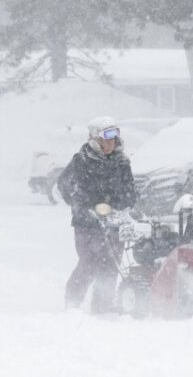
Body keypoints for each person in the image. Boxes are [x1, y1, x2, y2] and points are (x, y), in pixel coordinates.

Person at [57, 115, 138, 313]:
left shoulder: (121, 163)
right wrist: (84, 204)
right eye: (105, 139)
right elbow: (66, 185)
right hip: (87, 224)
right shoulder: (81, 161)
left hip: (114, 222)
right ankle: (73, 303)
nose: (110, 143)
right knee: (89, 263)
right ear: (95, 140)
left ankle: (102, 307)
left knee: (111, 266)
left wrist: (125, 202)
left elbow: (129, 190)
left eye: (112, 139)